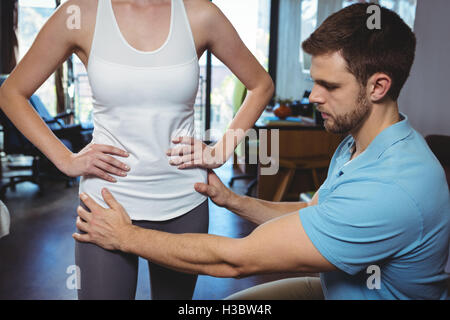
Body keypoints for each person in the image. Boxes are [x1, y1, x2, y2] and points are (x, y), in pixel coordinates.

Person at [73, 3, 450, 300]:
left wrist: (125, 236)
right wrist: (231, 200)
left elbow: (237, 260)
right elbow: (311, 213)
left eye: (329, 86)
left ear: (378, 87)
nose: (314, 97)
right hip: (336, 287)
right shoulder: (361, 144)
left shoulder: (392, 187)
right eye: (313, 81)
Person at [0, 0, 274, 299]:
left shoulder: (201, 13)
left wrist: (220, 151)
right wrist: (65, 159)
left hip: (183, 198)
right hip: (107, 200)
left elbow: (261, 84)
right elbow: (12, 93)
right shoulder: (78, 14)